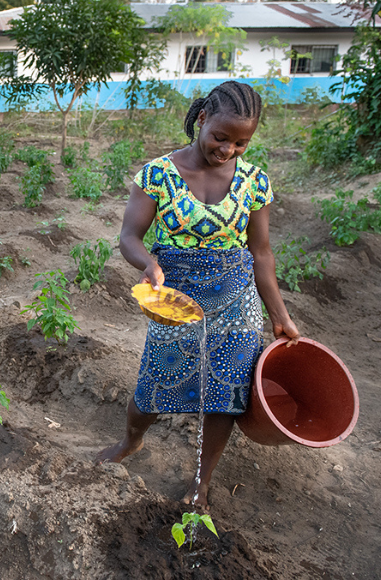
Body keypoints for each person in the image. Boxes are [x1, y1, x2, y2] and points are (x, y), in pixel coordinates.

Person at [95, 81, 300, 509]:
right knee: (154, 385)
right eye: (221, 138)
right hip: (176, 299)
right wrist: (148, 264)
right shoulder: (158, 174)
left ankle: (201, 481)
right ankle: (131, 442)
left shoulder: (255, 182)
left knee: (225, 393)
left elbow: (261, 254)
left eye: (241, 143)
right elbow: (130, 237)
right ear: (202, 119)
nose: (228, 150)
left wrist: (279, 314)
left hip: (236, 299)